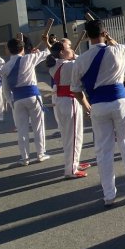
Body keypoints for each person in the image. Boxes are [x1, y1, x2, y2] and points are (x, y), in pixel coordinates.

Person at [70, 19, 125, 207]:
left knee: (103, 151)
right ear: (104, 33)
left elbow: (76, 90)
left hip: (97, 105)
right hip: (120, 103)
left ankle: (109, 195)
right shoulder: (118, 50)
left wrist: (86, 105)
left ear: (87, 36)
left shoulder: (80, 60)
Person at [1, 35, 50, 166]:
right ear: (22, 48)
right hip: (33, 96)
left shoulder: (5, 67)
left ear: (8, 50)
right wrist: (45, 43)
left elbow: (5, 89)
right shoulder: (29, 58)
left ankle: (24, 157)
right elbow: (48, 52)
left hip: (17, 99)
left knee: (22, 129)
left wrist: (11, 102)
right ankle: (40, 154)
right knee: (38, 127)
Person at [47, 40, 89, 179]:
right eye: (68, 47)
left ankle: (73, 163)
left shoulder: (56, 65)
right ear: (61, 52)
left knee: (68, 136)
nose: (71, 48)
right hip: (70, 100)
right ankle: (71, 169)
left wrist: (71, 54)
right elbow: (83, 62)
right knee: (75, 136)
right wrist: (74, 55)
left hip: (61, 101)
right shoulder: (70, 65)